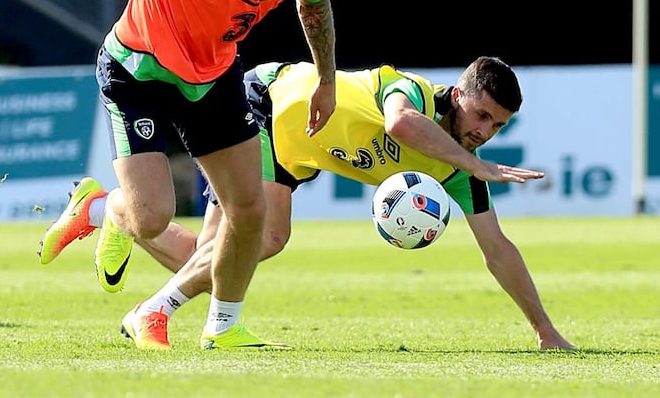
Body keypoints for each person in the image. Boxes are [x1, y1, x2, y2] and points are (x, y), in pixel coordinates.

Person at [0, 0, 338, 350]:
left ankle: (223, 325)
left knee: (249, 210)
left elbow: (314, 3)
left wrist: (326, 79)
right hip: (139, 70)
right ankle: (105, 209)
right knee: (151, 218)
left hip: (213, 75)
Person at [45, 56, 576, 351]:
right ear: (458, 95)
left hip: (293, 154)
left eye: (497, 126)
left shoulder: (461, 169)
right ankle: (151, 309)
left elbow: (498, 250)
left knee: (209, 257)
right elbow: (397, 123)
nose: (484, 132)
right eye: (482, 115)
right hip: (268, 100)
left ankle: (108, 210)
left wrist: (544, 329)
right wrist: (476, 164)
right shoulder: (413, 91)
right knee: (265, 240)